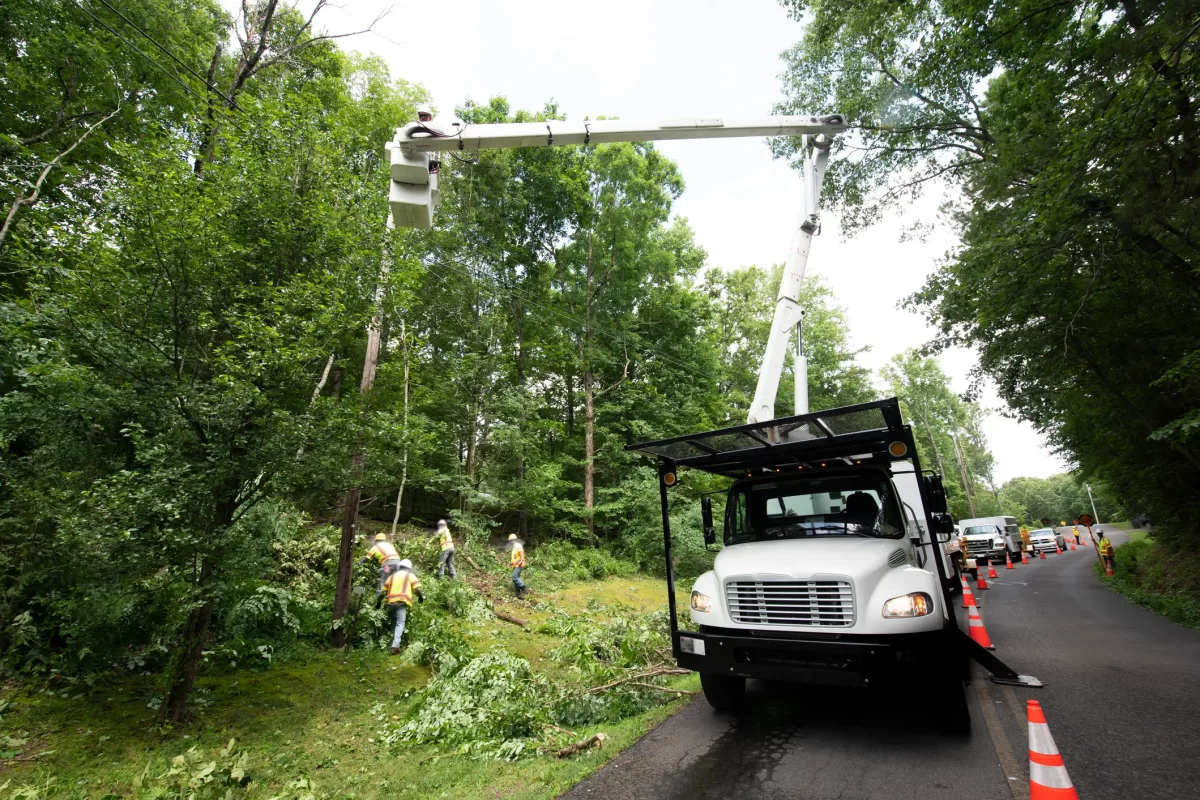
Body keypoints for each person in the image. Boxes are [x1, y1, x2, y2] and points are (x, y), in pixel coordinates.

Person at [378, 559, 423, 654]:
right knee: (400, 623)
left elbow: (383, 592)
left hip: (390, 602)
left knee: (394, 621)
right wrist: (421, 597)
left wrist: (378, 602)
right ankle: (395, 646)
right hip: (401, 603)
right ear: (409, 568)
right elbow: (417, 590)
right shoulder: (410, 575)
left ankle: (392, 641)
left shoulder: (392, 577)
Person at [507, 533, 527, 597]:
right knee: (516, 578)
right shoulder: (514, 546)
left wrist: (521, 560)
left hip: (519, 564)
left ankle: (524, 588)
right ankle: (518, 593)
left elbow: (522, 553)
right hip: (516, 565)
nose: (511, 542)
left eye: (511, 540)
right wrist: (512, 563)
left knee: (514, 576)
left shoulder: (518, 545)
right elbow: (515, 557)